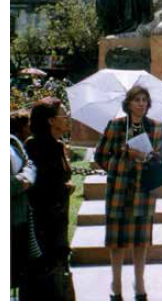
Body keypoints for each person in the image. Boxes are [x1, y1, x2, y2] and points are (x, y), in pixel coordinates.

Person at [94, 86, 162, 301]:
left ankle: (139, 282)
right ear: (128, 103)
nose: (141, 103)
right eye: (137, 100)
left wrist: (146, 156)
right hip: (119, 191)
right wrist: (121, 162)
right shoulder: (116, 125)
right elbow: (100, 155)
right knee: (117, 241)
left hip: (143, 191)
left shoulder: (155, 127)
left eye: (144, 100)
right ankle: (116, 284)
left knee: (140, 241)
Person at [25, 98, 73, 295]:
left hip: (59, 220)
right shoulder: (34, 146)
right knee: (45, 275)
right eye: (64, 115)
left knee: (58, 270)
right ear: (51, 120)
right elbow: (39, 185)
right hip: (43, 224)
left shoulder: (58, 145)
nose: (68, 118)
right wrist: (64, 188)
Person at [10, 109, 42, 297]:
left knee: (19, 268)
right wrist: (22, 181)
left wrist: (26, 177)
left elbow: (29, 166)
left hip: (20, 216)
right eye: (28, 126)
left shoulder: (16, 145)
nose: (31, 129)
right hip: (12, 218)